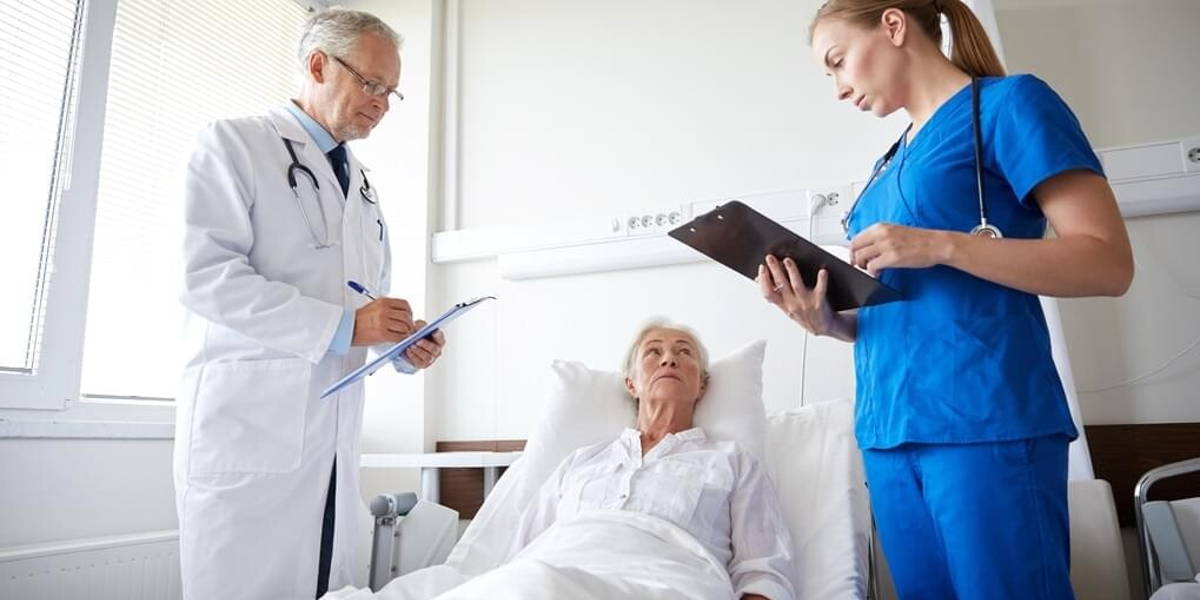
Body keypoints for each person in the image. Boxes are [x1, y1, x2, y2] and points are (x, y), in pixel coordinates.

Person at [757, 1, 1133, 598]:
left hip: (984, 421)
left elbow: (1107, 262)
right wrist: (828, 320)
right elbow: (909, 307)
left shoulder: (1009, 106)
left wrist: (942, 245)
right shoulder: (888, 166)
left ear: (893, 25)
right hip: (888, 433)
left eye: (838, 62)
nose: (836, 88)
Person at [175, 8, 446, 599]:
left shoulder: (363, 186)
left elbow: (364, 303)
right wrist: (346, 325)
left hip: (331, 444)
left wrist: (400, 342)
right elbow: (205, 276)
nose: (380, 102)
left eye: (390, 92)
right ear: (318, 65)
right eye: (371, 84)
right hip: (250, 428)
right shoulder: (235, 144)